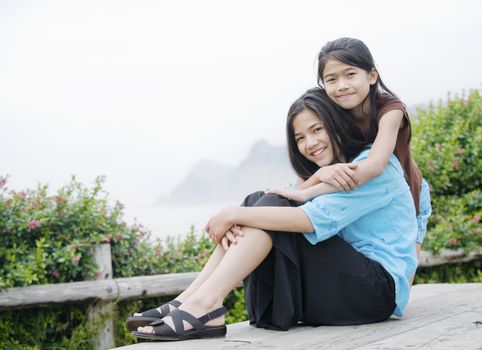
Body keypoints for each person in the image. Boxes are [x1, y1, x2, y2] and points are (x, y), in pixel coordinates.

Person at [127, 88, 418, 340]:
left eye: (317, 130)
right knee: (260, 201)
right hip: (341, 285)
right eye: (300, 137)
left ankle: (206, 304)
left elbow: (309, 221)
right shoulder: (323, 176)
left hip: (376, 293)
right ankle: (188, 300)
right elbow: (278, 208)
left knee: (265, 206)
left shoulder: (370, 169)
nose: (310, 144)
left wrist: (233, 214)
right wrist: (243, 212)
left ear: (336, 123)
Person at [272, 37, 431, 254]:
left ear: (372, 76)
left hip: (408, 192)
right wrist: (295, 190)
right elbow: (311, 168)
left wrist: (308, 191)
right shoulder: (336, 112)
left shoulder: (390, 110)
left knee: (402, 274)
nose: (342, 86)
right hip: (369, 193)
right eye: (331, 79)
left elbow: (373, 167)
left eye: (350, 75)